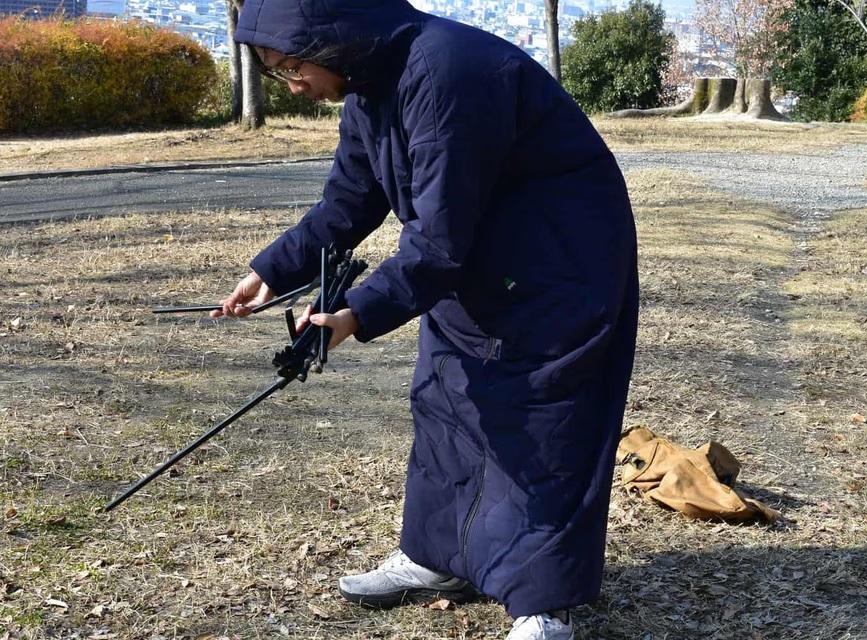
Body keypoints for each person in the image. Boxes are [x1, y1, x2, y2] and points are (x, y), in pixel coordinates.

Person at [214, 1, 638, 638]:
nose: (294, 84)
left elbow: (438, 241)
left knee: (541, 425)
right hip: (475, 264)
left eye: (293, 65)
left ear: (331, 37)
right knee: (446, 402)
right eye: (277, 72)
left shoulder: (449, 75)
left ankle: (542, 605)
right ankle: (439, 557)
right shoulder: (369, 86)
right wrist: (273, 270)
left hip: (558, 268)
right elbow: (350, 200)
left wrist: (354, 314)